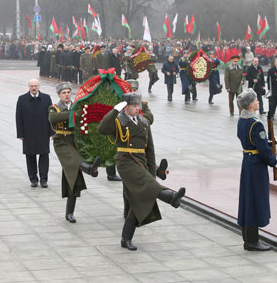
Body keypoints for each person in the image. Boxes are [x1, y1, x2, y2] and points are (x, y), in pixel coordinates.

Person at [98, 92, 184, 251]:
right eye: (134, 106)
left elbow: (150, 149)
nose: (138, 108)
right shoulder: (119, 121)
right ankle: (169, 197)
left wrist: (152, 171)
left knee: (139, 202)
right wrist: (115, 110)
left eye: (139, 105)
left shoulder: (144, 122)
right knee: (143, 191)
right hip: (125, 161)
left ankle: (126, 238)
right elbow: (102, 128)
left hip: (141, 161)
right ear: (126, 107)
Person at [48, 82, 101, 223]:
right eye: (63, 93)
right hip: (61, 142)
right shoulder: (54, 108)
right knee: (74, 160)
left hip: (76, 141)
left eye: (68, 92)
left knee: (73, 178)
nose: (66, 95)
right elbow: (53, 119)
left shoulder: (77, 106)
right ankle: (89, 168)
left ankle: (69, 212)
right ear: (59, 95)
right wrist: (73, 114)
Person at [236, 88, 277, 251]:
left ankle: (248, 239)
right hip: (256, 167)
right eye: (255, 100)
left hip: (247, 163)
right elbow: (262, 150)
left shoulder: (242, 121)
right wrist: (274, 161)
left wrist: (269, 143)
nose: (258, 102)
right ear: (249, 105)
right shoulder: (256, 124)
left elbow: (251, 142)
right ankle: (253, 241)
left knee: (247, 201)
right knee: (255, 201)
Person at [16, 79, 53, 188]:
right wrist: (20, 134)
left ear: (39, 87)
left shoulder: (46, 98)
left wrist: (51, 131)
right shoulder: (22, 99)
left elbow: (51, 116)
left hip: (43, 132)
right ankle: (33, 179)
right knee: (30, 156)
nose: (34, 88)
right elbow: (19, 117)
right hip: (28, 132)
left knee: (44, 155)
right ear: (29, 87)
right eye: (32, 86)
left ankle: (43, 179)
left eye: (36, 86)